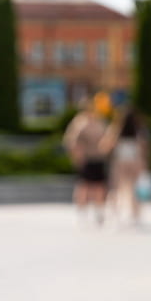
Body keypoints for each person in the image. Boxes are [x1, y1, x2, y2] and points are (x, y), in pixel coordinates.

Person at [62, 95, 110, 225]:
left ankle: (99, 211)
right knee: (84, 186)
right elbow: (71, 142)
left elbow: (107, 137)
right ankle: (81, 212)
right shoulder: (79, 123)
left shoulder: (100, 122)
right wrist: (78, 156)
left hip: (98, 158)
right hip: (86, 159)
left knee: (100, 186)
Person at [102, 106, 150, 225]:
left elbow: (106, 145)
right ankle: (135, 216)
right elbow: (144, 149)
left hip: (120, 162)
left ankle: (114, 215)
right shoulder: (139, 130)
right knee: (134, 190)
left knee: (115, 189)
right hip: (134, 162)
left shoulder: (116, 129)